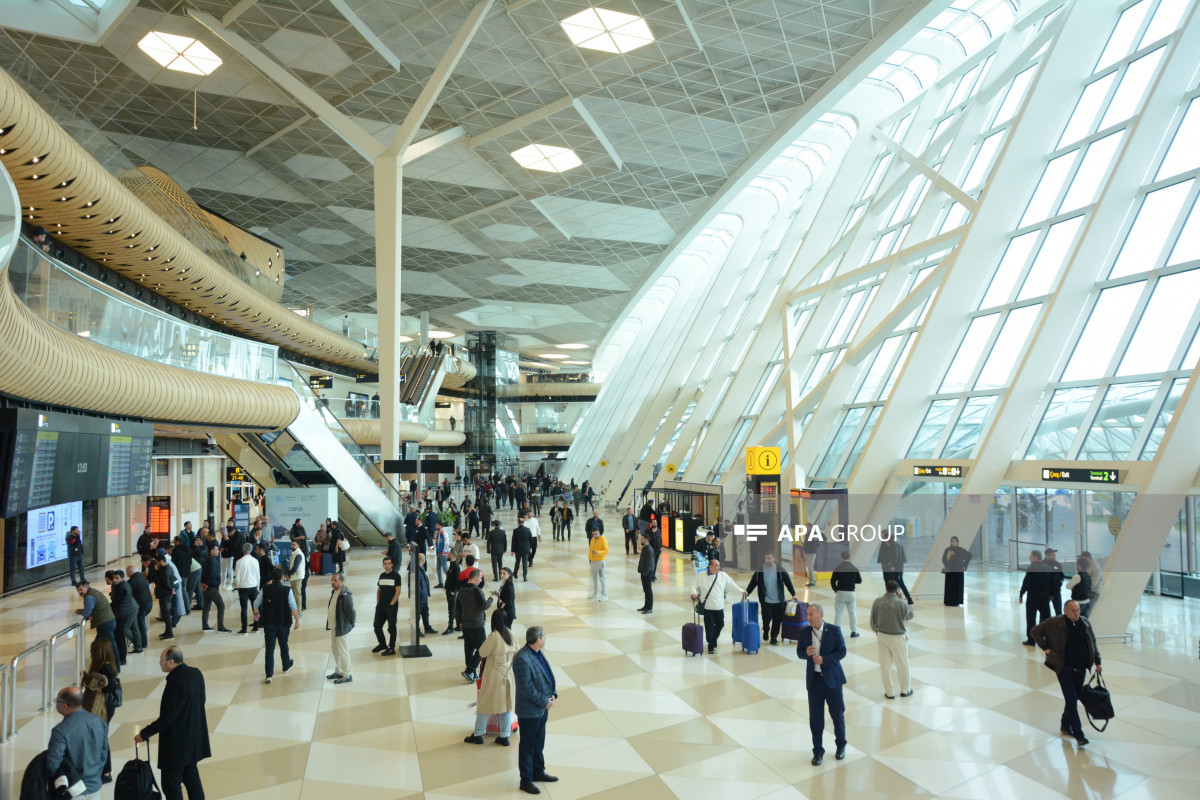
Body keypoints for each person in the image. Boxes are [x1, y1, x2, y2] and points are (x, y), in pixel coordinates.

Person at [136, 646, 210, 800]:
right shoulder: (196, 673)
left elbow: (168, 717)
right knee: (192, 779)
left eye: (162, 660)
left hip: (177, 745)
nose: (160, 663)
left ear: (171, 662)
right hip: (194, 738)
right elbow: (202, 700)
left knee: (171, 785)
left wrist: (145, 733)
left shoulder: (175, 681)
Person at [1032, 600, 1102, 746]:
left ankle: (1065, 724)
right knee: (1071, 700)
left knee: (1073, 699)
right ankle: (1079, 735)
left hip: (1081, 669)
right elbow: (1035, 631)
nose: (1077, 613)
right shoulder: (1054, 623)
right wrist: (1046, 648)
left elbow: (1092, 643)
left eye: (1078, 610)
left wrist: (1098, 661)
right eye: (1073, 610)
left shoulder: (1085, 623)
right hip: (1064, 669)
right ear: (1065, 611)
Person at [797, 604, 847, 765]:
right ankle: (818, 751)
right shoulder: (805, 632)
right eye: (807, 614)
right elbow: (799, 651)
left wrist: (825, 660)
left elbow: (842, 651)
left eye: (811, 614)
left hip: (833, 681)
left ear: (821, 614)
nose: (808, 617)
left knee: (837, 715)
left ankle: (841, 746)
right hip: (815, 681)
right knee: (816, 719)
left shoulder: (834, 630)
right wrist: (805, 653)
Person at [512, 626, 559, 794]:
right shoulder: (522, 659)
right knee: (528, 745)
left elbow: (546, 675)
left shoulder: (537, 652)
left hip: (542, 708)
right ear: (538, 639)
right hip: (530, 711)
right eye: (544, 635)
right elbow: (526, 687)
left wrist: (553, 694)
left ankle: (538, 772)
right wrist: (544, 701)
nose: (546, 637)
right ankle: (526, 780)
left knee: (539, 742)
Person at [466, 609, 518, 745]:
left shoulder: (494, 636)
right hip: (508, 675)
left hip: (494, 676)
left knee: (484, 704)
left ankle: (478, 734)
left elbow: (482, 652)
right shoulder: (511, 634)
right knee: (506, 705)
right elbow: (517, 652)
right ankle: (505, 736)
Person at [46, 687, 108, 799]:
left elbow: (52, 764)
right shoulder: (99, 721)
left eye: (57, 701)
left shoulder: (60, 731)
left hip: (73, 789)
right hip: (95, 785)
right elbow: (104, 753)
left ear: (64, 706)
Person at [80, 638, 119, 783]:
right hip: (103, 707)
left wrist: (89, 684)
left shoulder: (105, 668)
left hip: (102, 707)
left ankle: (106, 772)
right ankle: (102, 770)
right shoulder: (107, 665)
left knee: (101, 738)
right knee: (99, 737)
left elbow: (108, 688)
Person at [870, 580, 914, 699]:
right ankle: (905, 690)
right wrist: (902, 600)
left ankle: (889, 692)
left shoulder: (877, 602)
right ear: (897, 590)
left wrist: (876, 630)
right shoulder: (900, 603)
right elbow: (910, 615)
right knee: (902, 663)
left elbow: (872, 619)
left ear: (885, 589)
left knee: (885, 665)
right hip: (898, 636)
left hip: (882, 635)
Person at [253, 567, 299, 683]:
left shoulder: (265, 589)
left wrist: (256, 614)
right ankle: (286, 665)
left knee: (269, 649)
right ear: (282, 578)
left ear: (272, 578)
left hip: (269, 623)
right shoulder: (287, 590)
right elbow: (293, 607)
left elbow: (256, 603)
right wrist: (297, 620)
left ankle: (269, 675)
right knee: (284, 645)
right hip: (283, 623)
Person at [690, 558, 745, 654]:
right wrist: (694, 593)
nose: (718, 567)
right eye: (716, 566)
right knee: (709, 627)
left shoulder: (723, 575)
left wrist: (741, 592)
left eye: (719, 566)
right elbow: (692, 584)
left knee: (720, 624)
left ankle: (713, 639)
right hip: (707, 607)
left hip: (719, 606)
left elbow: (732, 585)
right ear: (710, 567)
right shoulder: (701, 576)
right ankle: (711, 645)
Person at [745, 552, 797, 645]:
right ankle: (766, 630)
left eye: (769, 558)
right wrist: (746, 594)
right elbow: (753, 583)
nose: (767, 561)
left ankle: (774, 637)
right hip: (766, 600)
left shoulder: (780, 569)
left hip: (778, 600)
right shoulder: (760, 570)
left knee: (777, 619)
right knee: (767, 618)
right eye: (766, 559)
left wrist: (793, 593)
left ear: (774, 559)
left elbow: (788, 582)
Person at [457, 568, 493, 682]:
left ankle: (471, 673)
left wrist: (460, 622)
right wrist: (491, 599)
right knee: (483, 648)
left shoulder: (461, 590)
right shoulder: (477, 591)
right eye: (480, 578)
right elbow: (483, 606)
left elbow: (457, 608)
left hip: (466, 624)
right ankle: (470, 670)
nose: (481, 580)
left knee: (469, 648)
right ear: (475, 577)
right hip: (477, 625)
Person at [75, 580, 119, 658]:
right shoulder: (93, 592)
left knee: (109, 644)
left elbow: (86, 613)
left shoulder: (88, 597)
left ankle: (116, 665)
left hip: (105, 623)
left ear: (87, 587)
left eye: (81, 589)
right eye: (78, 590)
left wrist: (80, 611)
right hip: (109, 620)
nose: (79, 592)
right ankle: (100, 662)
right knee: (99, 644)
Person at [326, 572, 356, 684]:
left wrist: (351, 624)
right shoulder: (334, 591)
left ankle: (347, 674)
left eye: (335, 580)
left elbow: (351, 612)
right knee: (335, 650)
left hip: (341, 628)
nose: (332, 582)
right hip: (334, 627)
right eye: (332, 580)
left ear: (342, 581)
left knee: (343, 651)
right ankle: (338, 671)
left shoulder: (345, 594)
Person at [1020, 550, 1054, 646]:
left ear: (1036, 557)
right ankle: (1048, 638)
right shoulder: (1047, 567)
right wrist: (1051, 594)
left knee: (1031, 618)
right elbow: (1051, 583)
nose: (1029, 558)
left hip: (1033, 597)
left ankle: (1031, 639)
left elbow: (1026, 582)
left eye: (1031, 556)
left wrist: (1021, 594)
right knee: (1046, 617)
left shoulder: (1032, 568)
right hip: (1044, 597)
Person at [105, 570, 138, 664]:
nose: (114, 580)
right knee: (119, 636)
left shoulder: (121, 588)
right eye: (114, 578)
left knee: (119, 636)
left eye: (117, 578)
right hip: (124, 612)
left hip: (121, 614)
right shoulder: (123, 585)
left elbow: (116, 603)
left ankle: (122, 658)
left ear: (122, 578)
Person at [372, 556, 401, 656]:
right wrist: (378, 601)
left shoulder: (396, 575)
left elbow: (398, 591)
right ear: (383, 565)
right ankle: (382, 644)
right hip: (381, 605)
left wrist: (392, 603)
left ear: (392, 564)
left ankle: (391, 648)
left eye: (389, 563)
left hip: (391, 606)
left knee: (391, 627)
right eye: (385, 563)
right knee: (377, 625)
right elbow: (379, 589)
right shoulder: (382, 575)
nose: (387, 565)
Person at [830, 550, 862, 637]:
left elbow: (832, 581)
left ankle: (837, 632)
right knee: (852, 613)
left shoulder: (838, 568)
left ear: (841, 557)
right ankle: (854, 631)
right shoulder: (854, 568)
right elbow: (859, 581)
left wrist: (835, 589)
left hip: (840, 592)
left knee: (838, 613)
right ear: (849, 557)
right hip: (851, 593)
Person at [200, 543, 230, 632]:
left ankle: (205, 625)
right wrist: (215, 584)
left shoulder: (206, 559)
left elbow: (204, 573)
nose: (218, 551)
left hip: (205, 587)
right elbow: (212, 574)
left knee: (206, 607)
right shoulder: (213, 561)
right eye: (216, 549)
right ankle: (220, 627)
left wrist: (203, 583)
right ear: (212, 551)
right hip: (212, 588)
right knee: (221, 606)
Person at [126, 565, 153, 651]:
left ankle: (143, 642)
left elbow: (127, 592)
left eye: (127, 572)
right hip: (148, 602)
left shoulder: (133, 581)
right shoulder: (140, 576)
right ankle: (141, 641)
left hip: (141, 606)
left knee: (140, 625)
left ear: (130, 572)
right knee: (140, 624)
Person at [877, 537, 912, 604]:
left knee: (896, 584)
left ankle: (899, 599)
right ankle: (907, 599)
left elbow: (894, 556)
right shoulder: (898, 541)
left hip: (894, 568)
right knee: (899, 583)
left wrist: (892, 565)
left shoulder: (894, 543)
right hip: (897, 567)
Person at [234, 542, 260, 634]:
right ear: (251, 550)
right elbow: (258, 576)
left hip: (243, 587)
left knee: (244, 609)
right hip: (253, 587)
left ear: (243, 550)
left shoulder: (239, 562)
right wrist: (258, 587)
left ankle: (244, 629)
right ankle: (256, 626)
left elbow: (237, 577)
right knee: (255, 608)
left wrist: (238, 587)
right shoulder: (255, 561)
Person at [942, 536, 971, 606]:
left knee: (958, 586)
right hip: (950, 571)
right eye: (952, 541)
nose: (953, 543)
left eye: (954, 541)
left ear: (957, 542)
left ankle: (957, 601)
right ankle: (949, 602)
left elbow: (969, 555)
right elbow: (944, 560)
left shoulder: (960, 550)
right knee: (950, 587)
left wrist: (964, 566)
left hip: (958, 571)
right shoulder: (948, 550)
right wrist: (948, 556)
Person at [587, 516, 609, 601]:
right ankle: (596, 593)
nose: (594, 536)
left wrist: (598, 552)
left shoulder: (603, 539)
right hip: (593, 562)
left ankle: (605, 595)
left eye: (596, 534)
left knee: (602, 578)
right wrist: (590, 558)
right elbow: (590, 548)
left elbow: (606, 551)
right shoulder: (592, 539)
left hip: (600, 562)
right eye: (593, 534)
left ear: (599, 533)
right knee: (594, 579)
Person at [285, 539, 306, 615]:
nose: (292, 546)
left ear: (298, 545)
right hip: (295, 576)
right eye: (292, 544)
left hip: (297, 577)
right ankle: (295, 610)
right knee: (295, 594)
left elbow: (295, 567)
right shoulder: (294, 553)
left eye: (294, 545)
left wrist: (288, 574)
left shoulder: (298, 554)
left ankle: (299, 611)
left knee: (297, 594)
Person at [636, 533, 655, 614]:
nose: (641, 540)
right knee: (645, 590)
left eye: (642, 539)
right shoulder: (644, 548)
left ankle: (649, 607)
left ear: (646, 540)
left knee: (648, 590)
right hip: (644, 572)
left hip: (647, 573)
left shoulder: (649, 549)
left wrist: (645, 572)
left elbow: (649, 563)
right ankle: (646, 606)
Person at [1044, 547, 1065, 614]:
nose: (1054, 557)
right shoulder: (1041, 564)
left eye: (1054, 555)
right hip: (1045, 592)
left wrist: (1060, 582)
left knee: (1058, 611)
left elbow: (1061, 575)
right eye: (1053, 555)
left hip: (1056, 592)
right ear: (1047, 555)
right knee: (1044, 611)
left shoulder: (1057, 564)